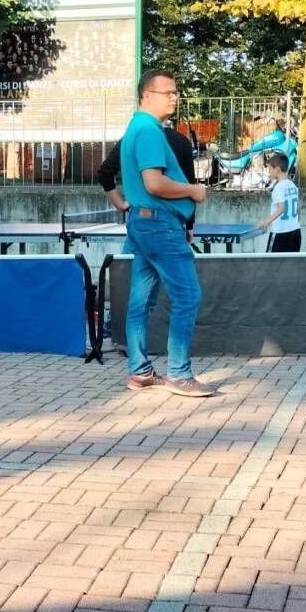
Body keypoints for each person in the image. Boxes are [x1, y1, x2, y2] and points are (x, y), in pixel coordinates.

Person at [119, 69, 213, 397]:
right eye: (167, 92)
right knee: (188, 296)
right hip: (160, 225)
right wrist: (193, 191)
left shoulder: (137, 127)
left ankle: (140, 372)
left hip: (143, 224)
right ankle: (179, 374)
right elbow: (154, 183)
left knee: (140, 302)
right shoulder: (148, 131)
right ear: (146, 96)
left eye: (175, 92)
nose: (174, 97)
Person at [98, 121, 197, 241]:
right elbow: (190, 185)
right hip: (171, 216)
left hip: (140, 214)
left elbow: (105, 172)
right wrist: (190, 225)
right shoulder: (182, 141)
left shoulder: (132, 139)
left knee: (131, 259)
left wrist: (120, 204)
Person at [260, 152, 302, 252]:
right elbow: (298, 208)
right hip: (295, 232)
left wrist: (266, 222)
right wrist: (296, 222)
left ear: (277, 169)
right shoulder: (293, 186)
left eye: (270, 169)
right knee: (290, 265)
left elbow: (282, 207)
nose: (268, 171)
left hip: (280, 233)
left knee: (271, 264)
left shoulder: (278, 188)